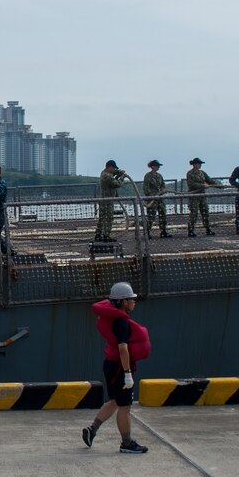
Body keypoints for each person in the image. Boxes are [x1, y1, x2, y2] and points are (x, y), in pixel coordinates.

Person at [81, 282, 149, 454]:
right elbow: (123, 349)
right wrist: (127, 373)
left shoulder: (111, 318)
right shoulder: (122, 323)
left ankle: (92, 429)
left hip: (110, 364)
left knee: (114, 402)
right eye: (131, 299)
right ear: (124, 302)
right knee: (125, 407)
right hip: (119, 368)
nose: (134, 302)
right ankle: (126, 444)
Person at [184, 157, 219, 237]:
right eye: (199, 164)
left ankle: (208, 229)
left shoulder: (202, 173)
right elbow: (191, 184)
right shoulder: (190, 173)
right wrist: (202, 185)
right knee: (194, 213)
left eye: (200, 164)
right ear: (194, 164)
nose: (200, 165)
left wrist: (218, 185)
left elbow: (209, 180)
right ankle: (191, 230)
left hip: (202, 196)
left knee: (205, 212)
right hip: (194, 196)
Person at [94, 160, 127, 242]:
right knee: (108, 218)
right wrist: (122, 177)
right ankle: (106, 235)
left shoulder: (105, 173)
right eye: (113, 168)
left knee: (102, 218)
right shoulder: (107, 176)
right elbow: (117, 184)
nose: (114, 170)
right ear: (110, 167)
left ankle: (98, 234)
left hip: (106, 199)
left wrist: (120, 172)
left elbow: (114, 172)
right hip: (107, 200)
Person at [142, 159, 170, 238]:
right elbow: (146, 188)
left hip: (160, 199)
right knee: (151, 216)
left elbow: (163, 185)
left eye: (158, 166)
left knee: (163, 214)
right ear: (152, 166)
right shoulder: (148, 176)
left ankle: (163, 231)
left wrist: (163, 191)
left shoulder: (159, 176)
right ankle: (147, 232)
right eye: (157, 166)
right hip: (152, 200)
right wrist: (153, 195)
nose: (158, 167)